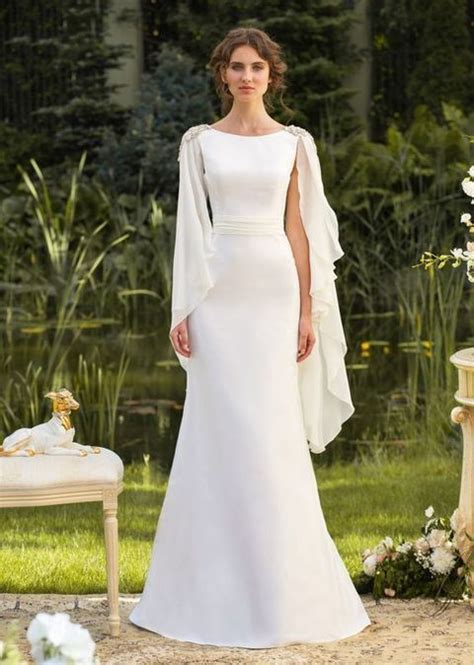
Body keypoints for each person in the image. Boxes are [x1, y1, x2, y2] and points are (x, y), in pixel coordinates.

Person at [129, 26, 371, 648]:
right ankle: (203, 591)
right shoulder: (199, 142)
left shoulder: (294, 144)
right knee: (217, 430)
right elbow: (190, 228)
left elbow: (300, 229)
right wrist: (183, 307)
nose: (245, 76)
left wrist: (307, 312)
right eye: (236, 66)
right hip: (216, 294)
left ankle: (283, 589)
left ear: (271, 75)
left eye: (256, 67)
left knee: (270, 432)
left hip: (272, 292)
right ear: (223, 74)